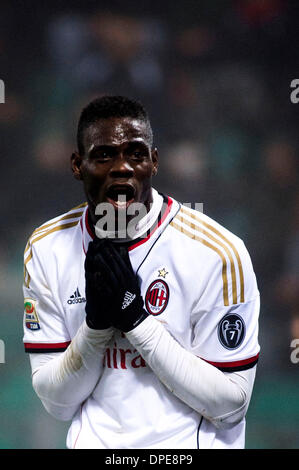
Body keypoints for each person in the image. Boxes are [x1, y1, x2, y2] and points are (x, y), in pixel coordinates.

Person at [23, 95, 260, 449]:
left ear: (153, 162)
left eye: (135, 154)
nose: (122, 168)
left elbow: (231, 405)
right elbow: (57, 403)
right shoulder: (46, 248)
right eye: (104, 154)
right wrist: (97, 327)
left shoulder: (218, 253)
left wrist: (136, 319)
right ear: (77, 164)